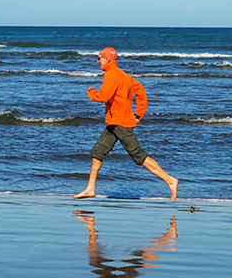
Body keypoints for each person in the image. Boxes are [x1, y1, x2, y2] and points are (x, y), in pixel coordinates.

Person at [74, 47, 178, 201]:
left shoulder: (111, 74)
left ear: (107, 59)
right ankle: (90, 188)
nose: (97, 61)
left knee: (138, 155)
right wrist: (138, 114)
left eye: (99, 58)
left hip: (120, 123)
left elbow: (104, 96)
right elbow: (141, 91)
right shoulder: (123, 75)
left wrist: (90, 92)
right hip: (114, 123)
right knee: (97, 152)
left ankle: (170, 180)